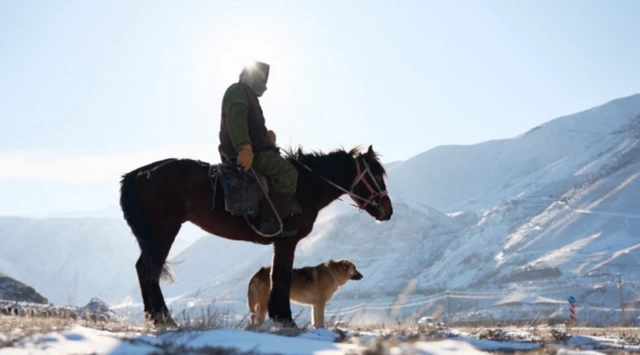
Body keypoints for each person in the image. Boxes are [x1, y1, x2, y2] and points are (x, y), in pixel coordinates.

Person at [218, 61, 298, 237]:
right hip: (251, 153)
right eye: (260, 77)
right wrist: (244, 148)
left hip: (256, 149)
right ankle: (270, 223)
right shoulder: (238, 90)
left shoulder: (248, 95)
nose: (263, 82)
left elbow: (250, 124)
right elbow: (236, 120)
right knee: (288, 174)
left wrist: (265, 135)